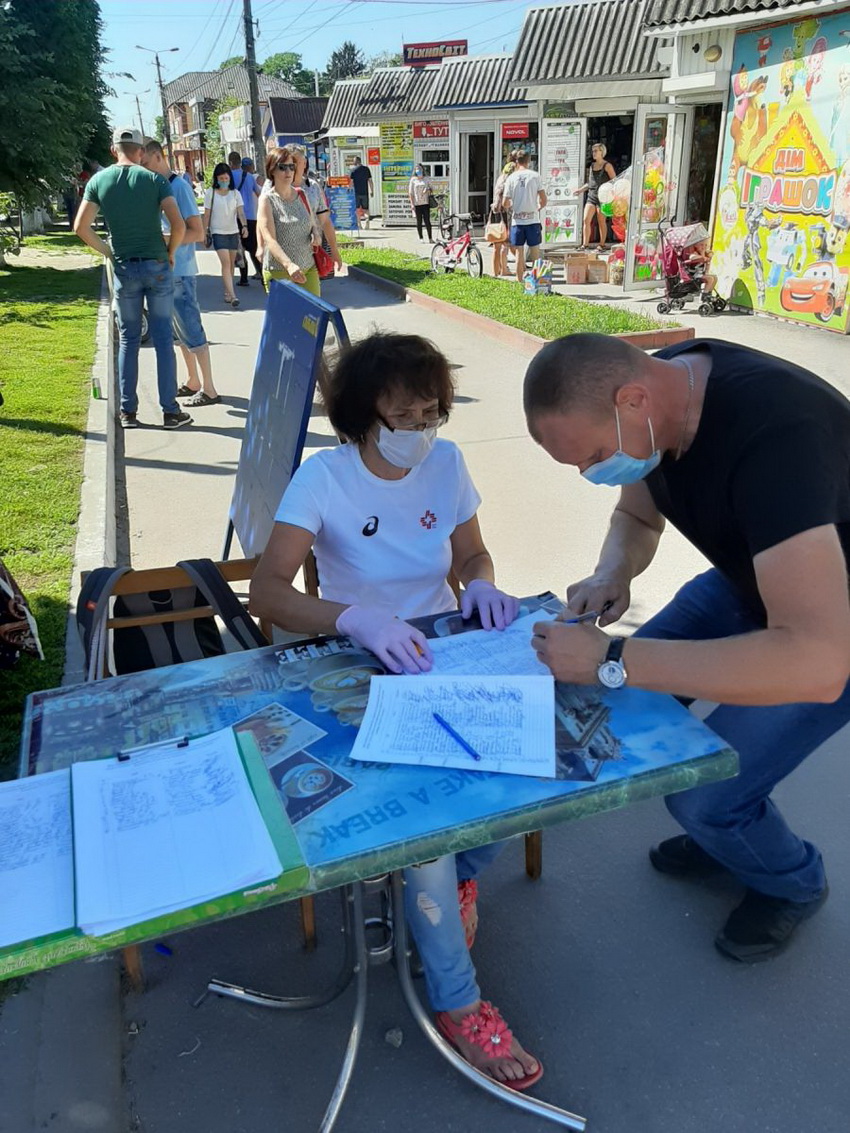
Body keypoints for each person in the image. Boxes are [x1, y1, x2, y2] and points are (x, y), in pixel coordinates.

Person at [250, 332, 542, 1089]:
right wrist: (354, 618)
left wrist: (478, 583)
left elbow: (471, 555)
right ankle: (457, 998)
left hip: (444, 652)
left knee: (530, 770)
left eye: (433, 412)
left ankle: (450, 882)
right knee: (428, 831)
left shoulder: (444, 464)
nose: (422, 429)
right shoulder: (325, 478)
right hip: (361, 663)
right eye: (406, 415)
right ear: (362, 415)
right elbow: (270, 590)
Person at [523, 333, 850, 963]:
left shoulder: (779, 439)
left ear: (633, 398)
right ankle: (730, 829)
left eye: (593, 455)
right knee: (619, 712)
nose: (593, 472)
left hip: (829, 628)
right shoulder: (661, 394)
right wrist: (610, 574)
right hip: (746, 579)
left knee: (701, 794)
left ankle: (790, 879)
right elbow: (637, 519)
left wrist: (612, 659)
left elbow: (816, 660)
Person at [75, 125, 191, 431]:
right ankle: (170, 411)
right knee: (164, 338)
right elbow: (178, 225)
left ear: (114, 150)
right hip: (156, 264)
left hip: (125, 268)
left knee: (128, 340)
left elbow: (81, 227)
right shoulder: (154, 180)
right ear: (140, 151)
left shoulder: (99, 181)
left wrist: (108, 252)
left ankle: (128, 412)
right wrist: (170, 251)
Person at [142, 139, 221, 408]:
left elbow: (197, 232)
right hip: (167, 270)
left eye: (146, 163)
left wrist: (164, 240)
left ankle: (209, 388)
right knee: (179, 332)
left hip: (182, 270)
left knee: (191, 328)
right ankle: (193, 381)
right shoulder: (159, 188)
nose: (144, 169)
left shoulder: (179, 187)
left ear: (158, 157)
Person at [257, 146, 322, 296]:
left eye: (291, 167)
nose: (288, 172)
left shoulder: (302, 194)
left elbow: (313, 224)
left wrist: (316, 235)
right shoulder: (267, 200)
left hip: (307, 266)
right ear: (272, 170)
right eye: (282, 167)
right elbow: (270, 239)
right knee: (286, 319)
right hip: (280, 271)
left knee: (313, 317)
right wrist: (289, 265)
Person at [291, 145, 343, 274]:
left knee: (310, 293)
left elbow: (325, 221)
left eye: (297, 162)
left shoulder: (313, 187)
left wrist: (335, 252)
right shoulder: (274, 186)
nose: (294, 167)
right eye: (290, 163)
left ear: (305, 163)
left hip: (311, 251)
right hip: (285, 253)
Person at [204, 162, 248, 308]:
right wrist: (205, 230)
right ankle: (233, 295)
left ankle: (227, 292)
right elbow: (207, 214)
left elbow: (240, 212)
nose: (224, 181)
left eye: (226, 178)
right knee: (226, 263)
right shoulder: (210, 193)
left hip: (233, 232)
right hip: (218, 232)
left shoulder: (235, 193)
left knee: (231, 264)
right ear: (216, 179)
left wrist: (244, 226)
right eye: (221, 179)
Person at [502, 151, 547, 283]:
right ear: (529, 161)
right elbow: (544, 199)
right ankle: (537, 281)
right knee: (535, 253)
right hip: (533, 219)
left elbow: (505, 202)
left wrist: (513, 205)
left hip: (517, 220)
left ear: (516, 162)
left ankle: (519, 280)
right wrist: (537, 207)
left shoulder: (511, 178)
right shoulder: (535, 176)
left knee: (519, 253)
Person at [575, 143, 616, 249]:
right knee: (586, 219)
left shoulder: (607, 166)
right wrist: (580, 190)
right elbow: (590, 183)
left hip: (603, 197)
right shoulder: (592, 166)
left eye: (596, 151)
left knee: (601, 221)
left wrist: (611, 194)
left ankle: (602, 244)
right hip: (592, 196)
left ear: (602, 152)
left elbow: (614, 181)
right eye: (593, 151)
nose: (593, 153)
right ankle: (585, 244)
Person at [234, 156, 263, 285]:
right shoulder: (250, 177)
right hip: (251, 217)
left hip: (235, 217)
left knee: (239, 248)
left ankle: (243, 278)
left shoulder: (229, 176)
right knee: (253, 247)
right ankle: (262, 274)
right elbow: (259, 194)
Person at [489, 161, 515, 278]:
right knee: (505, 244)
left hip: (495, 214)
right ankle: (504, 269)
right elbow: (506, 202)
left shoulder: (500, 179)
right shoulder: (508, 182)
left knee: (496, 246)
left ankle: (495, 272)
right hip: (504, 215)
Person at [408, 163, 433, 242]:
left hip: (425, 203)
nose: (418, 170)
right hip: (417, 203)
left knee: (427, 221)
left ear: (422, 169)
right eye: (416, 169)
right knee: (419, 221)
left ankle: (430, 238)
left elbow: (431, 189)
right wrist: (412, 204)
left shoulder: (426, 179)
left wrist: (428, 190)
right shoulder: (413, 180)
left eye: (419, 168)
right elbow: (410, 193)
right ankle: (421, 238)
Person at [349, 156, 372, 229]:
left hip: (356, 193)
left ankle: (359, 225)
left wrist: (349, 190)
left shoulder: (353, 170)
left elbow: (351, 183)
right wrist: (372, 190)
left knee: (357, 209)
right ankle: (367, 221)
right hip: (365, 192)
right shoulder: (366, 169)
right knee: (366, 209)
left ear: (355, 162)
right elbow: (370, 181)